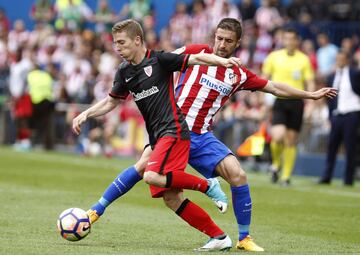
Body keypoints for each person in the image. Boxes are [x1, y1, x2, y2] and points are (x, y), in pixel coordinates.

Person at [85, 18, 337, 252]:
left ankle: (243, 238)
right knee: (154, 179)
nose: (221, 44)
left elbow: (273, 87)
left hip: (202, 136)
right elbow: (162, 61)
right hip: (171, 128)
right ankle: (97, 211)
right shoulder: (195, 51)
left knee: (238, 174)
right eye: (218, 38)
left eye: (228, 41)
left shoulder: (238, 73)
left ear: (238, 43)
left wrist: (310, 95)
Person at [72, 19, 244, 251]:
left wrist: (223, 61)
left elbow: (199, 58)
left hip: (174, 131)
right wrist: (86, 114)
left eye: (121, 43)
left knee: (150, 174)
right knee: (171, 198)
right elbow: (111, 101)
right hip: (157, 136)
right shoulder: (124, 72)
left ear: (137, 40)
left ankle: (207, 186)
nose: (117, 48)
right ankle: (219, 237)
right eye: (115, 44)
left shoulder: (160, 60)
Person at [262, 27, 316, 186]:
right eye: (286, 38)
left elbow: (310, 81)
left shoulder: (303, 59)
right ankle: (276, 164)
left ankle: (285, 177)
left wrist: (311, 103)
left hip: (297, 102)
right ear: (283, 40)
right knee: (278, 136)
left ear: (297, 41)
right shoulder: (274, 57)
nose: (289, 42)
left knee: (291, 140)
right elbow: (264, 78)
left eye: (292, 39)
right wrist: (262, 101)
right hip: (279, 99)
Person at [318, 50, 360, 186]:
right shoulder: (332, 77)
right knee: (331, 147)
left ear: (347, 60)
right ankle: (326, 176)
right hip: (336, 116)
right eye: (337, 59)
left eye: (341, 59)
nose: (339, 61)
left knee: (350, 148)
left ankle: (348, 180)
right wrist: (330, 116)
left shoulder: (355, 74)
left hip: (351, 115)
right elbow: (330, 100)